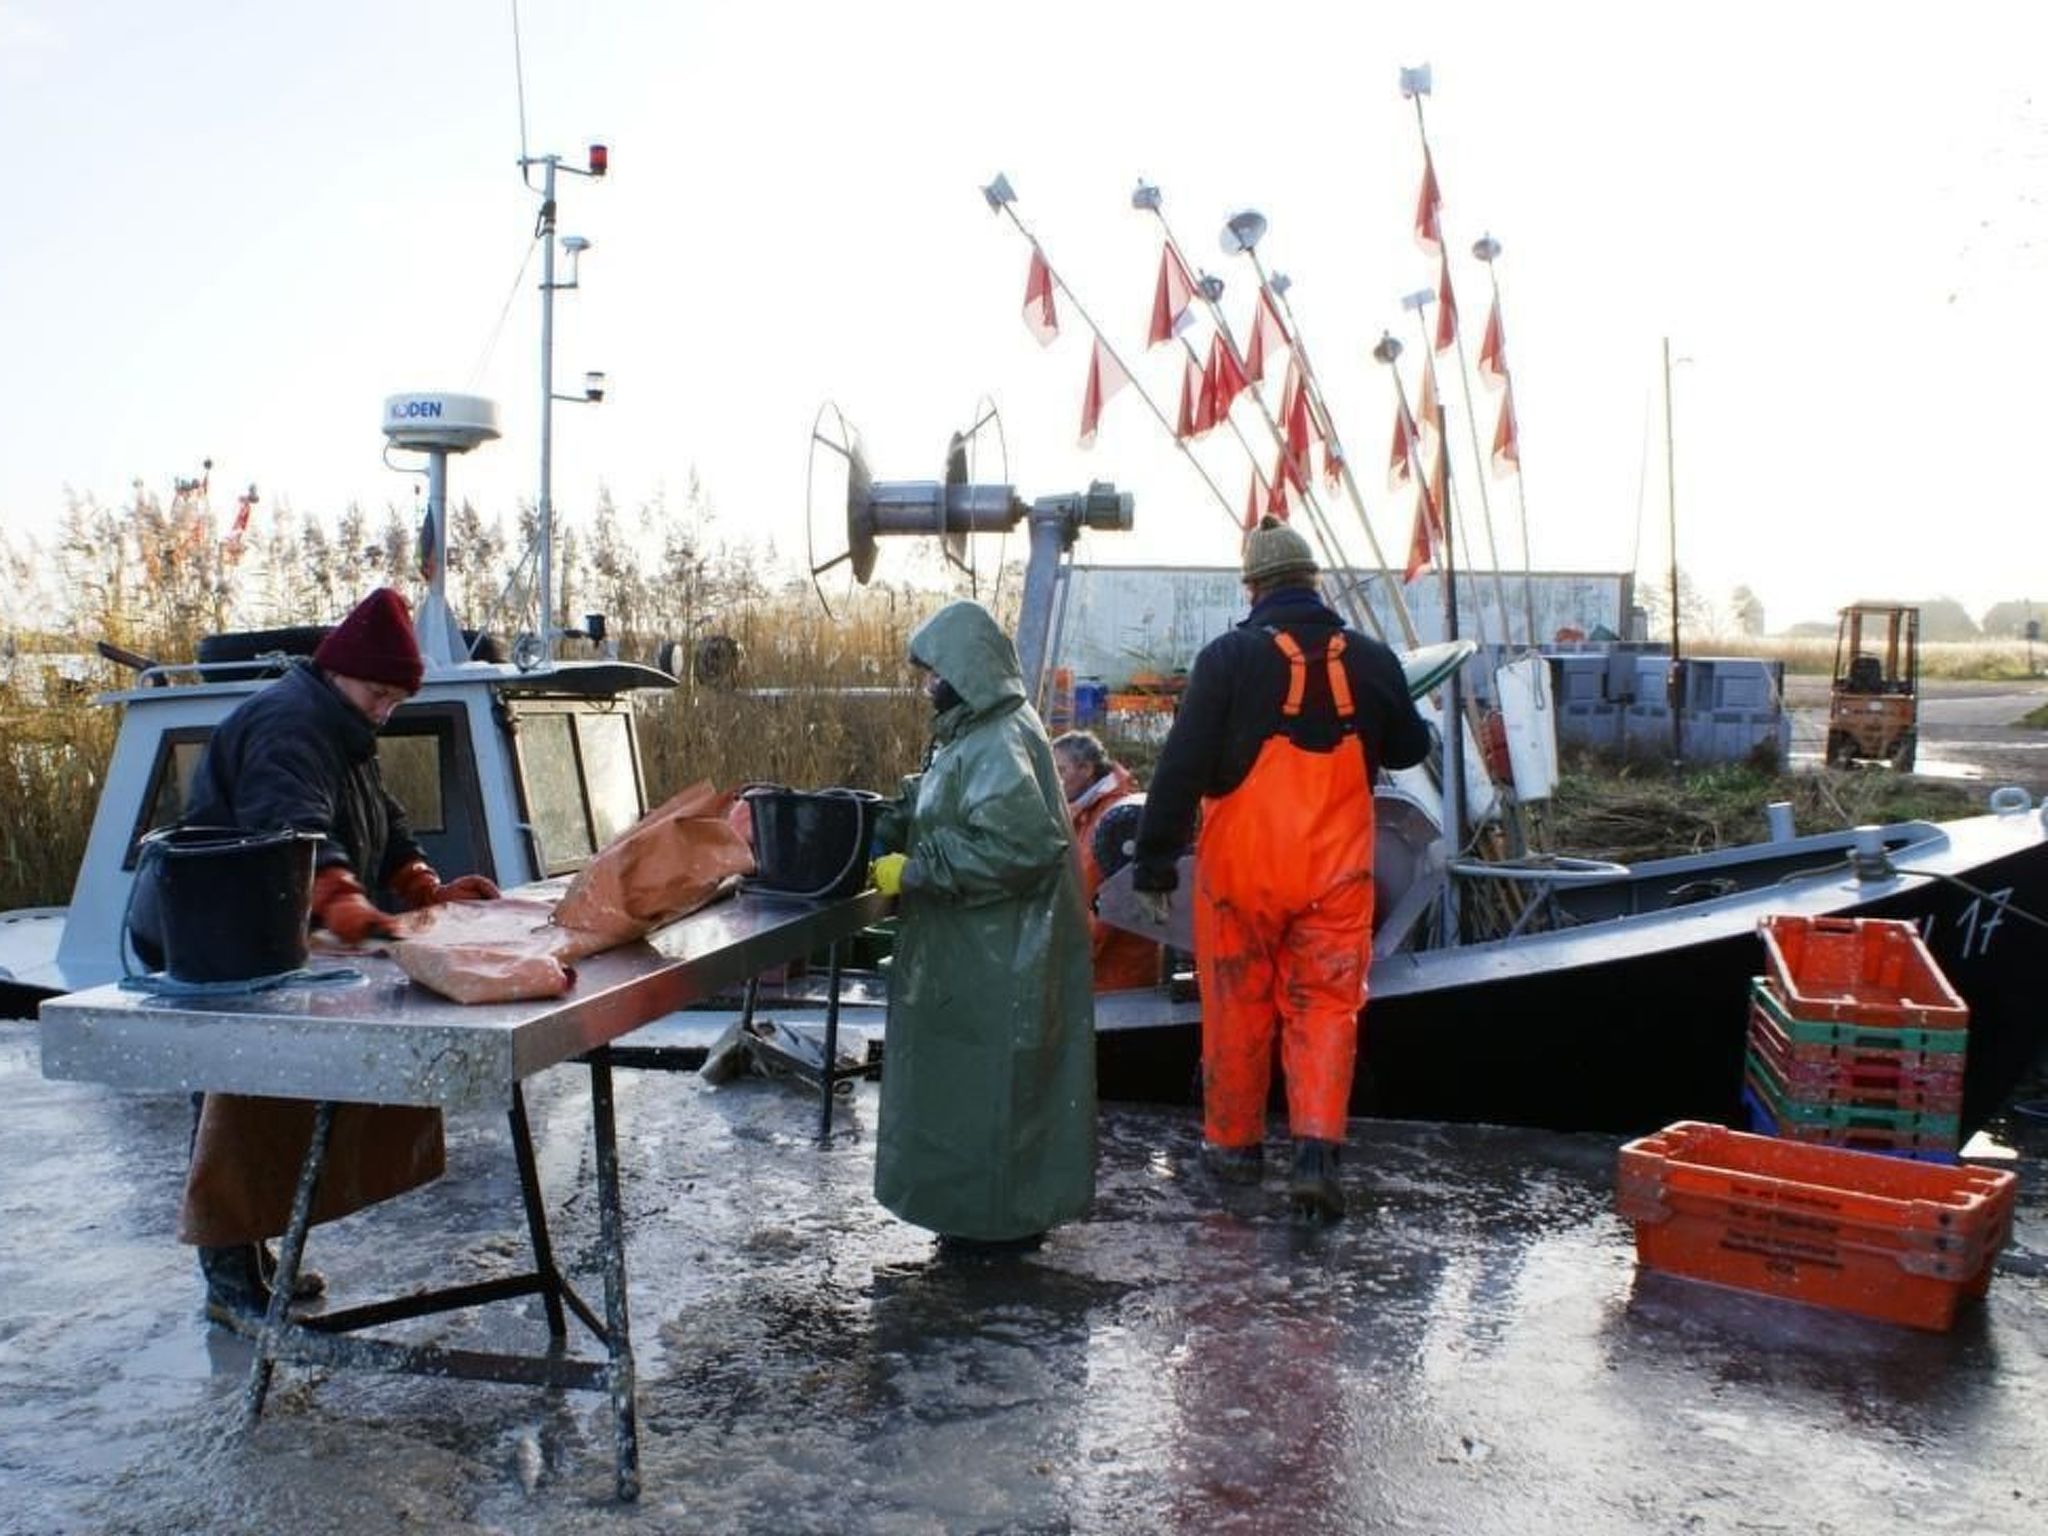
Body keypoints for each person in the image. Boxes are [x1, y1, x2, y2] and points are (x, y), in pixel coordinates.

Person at [163, 587, 503, 1325]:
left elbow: (383, 820)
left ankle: (258, 1271)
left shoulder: (344, 727)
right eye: (379, 693)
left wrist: (421, 884)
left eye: (394, 699)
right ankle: (231, 1287)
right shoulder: (291, 728)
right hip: (221, 943)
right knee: (231, 1108)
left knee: (270, 1107)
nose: (386, 709)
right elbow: (293, 837)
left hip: (268, 943)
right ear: (340, 672)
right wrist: (344, 901)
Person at [1130, 518, 1430, 1223]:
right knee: (1326, 1010)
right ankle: (1316, 1158)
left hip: (1243, 880)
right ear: (1314, 580)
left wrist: (1152, 864)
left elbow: (1181, 766)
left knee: (1238, 1009)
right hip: (1336, 878)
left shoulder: (1229, 657)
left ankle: (1233, 1154)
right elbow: (1413, 747)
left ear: (1254, 585)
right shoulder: (1371, 658)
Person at [867, 600, 1096, 1255]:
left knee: (990, 1099)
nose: (925, 686)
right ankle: (977, 1215)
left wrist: (914, 868)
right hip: (976, 956)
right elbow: (951, 793)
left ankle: (994, 1228)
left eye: (932, 673)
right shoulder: (976, 732)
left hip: (999, 960)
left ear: (963, 671)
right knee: (967, 1097)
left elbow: (1019, 845)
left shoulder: (998, 737)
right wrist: (896, 812)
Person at [1051, 729, 1164, 991]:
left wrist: (1064, 959)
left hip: (1117, 978)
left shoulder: (1118, 821)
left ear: (1087, 769)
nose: (1055, 781)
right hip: (1104, 972)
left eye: (1061, 771)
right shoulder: (1086, 815)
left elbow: (1109, 907)